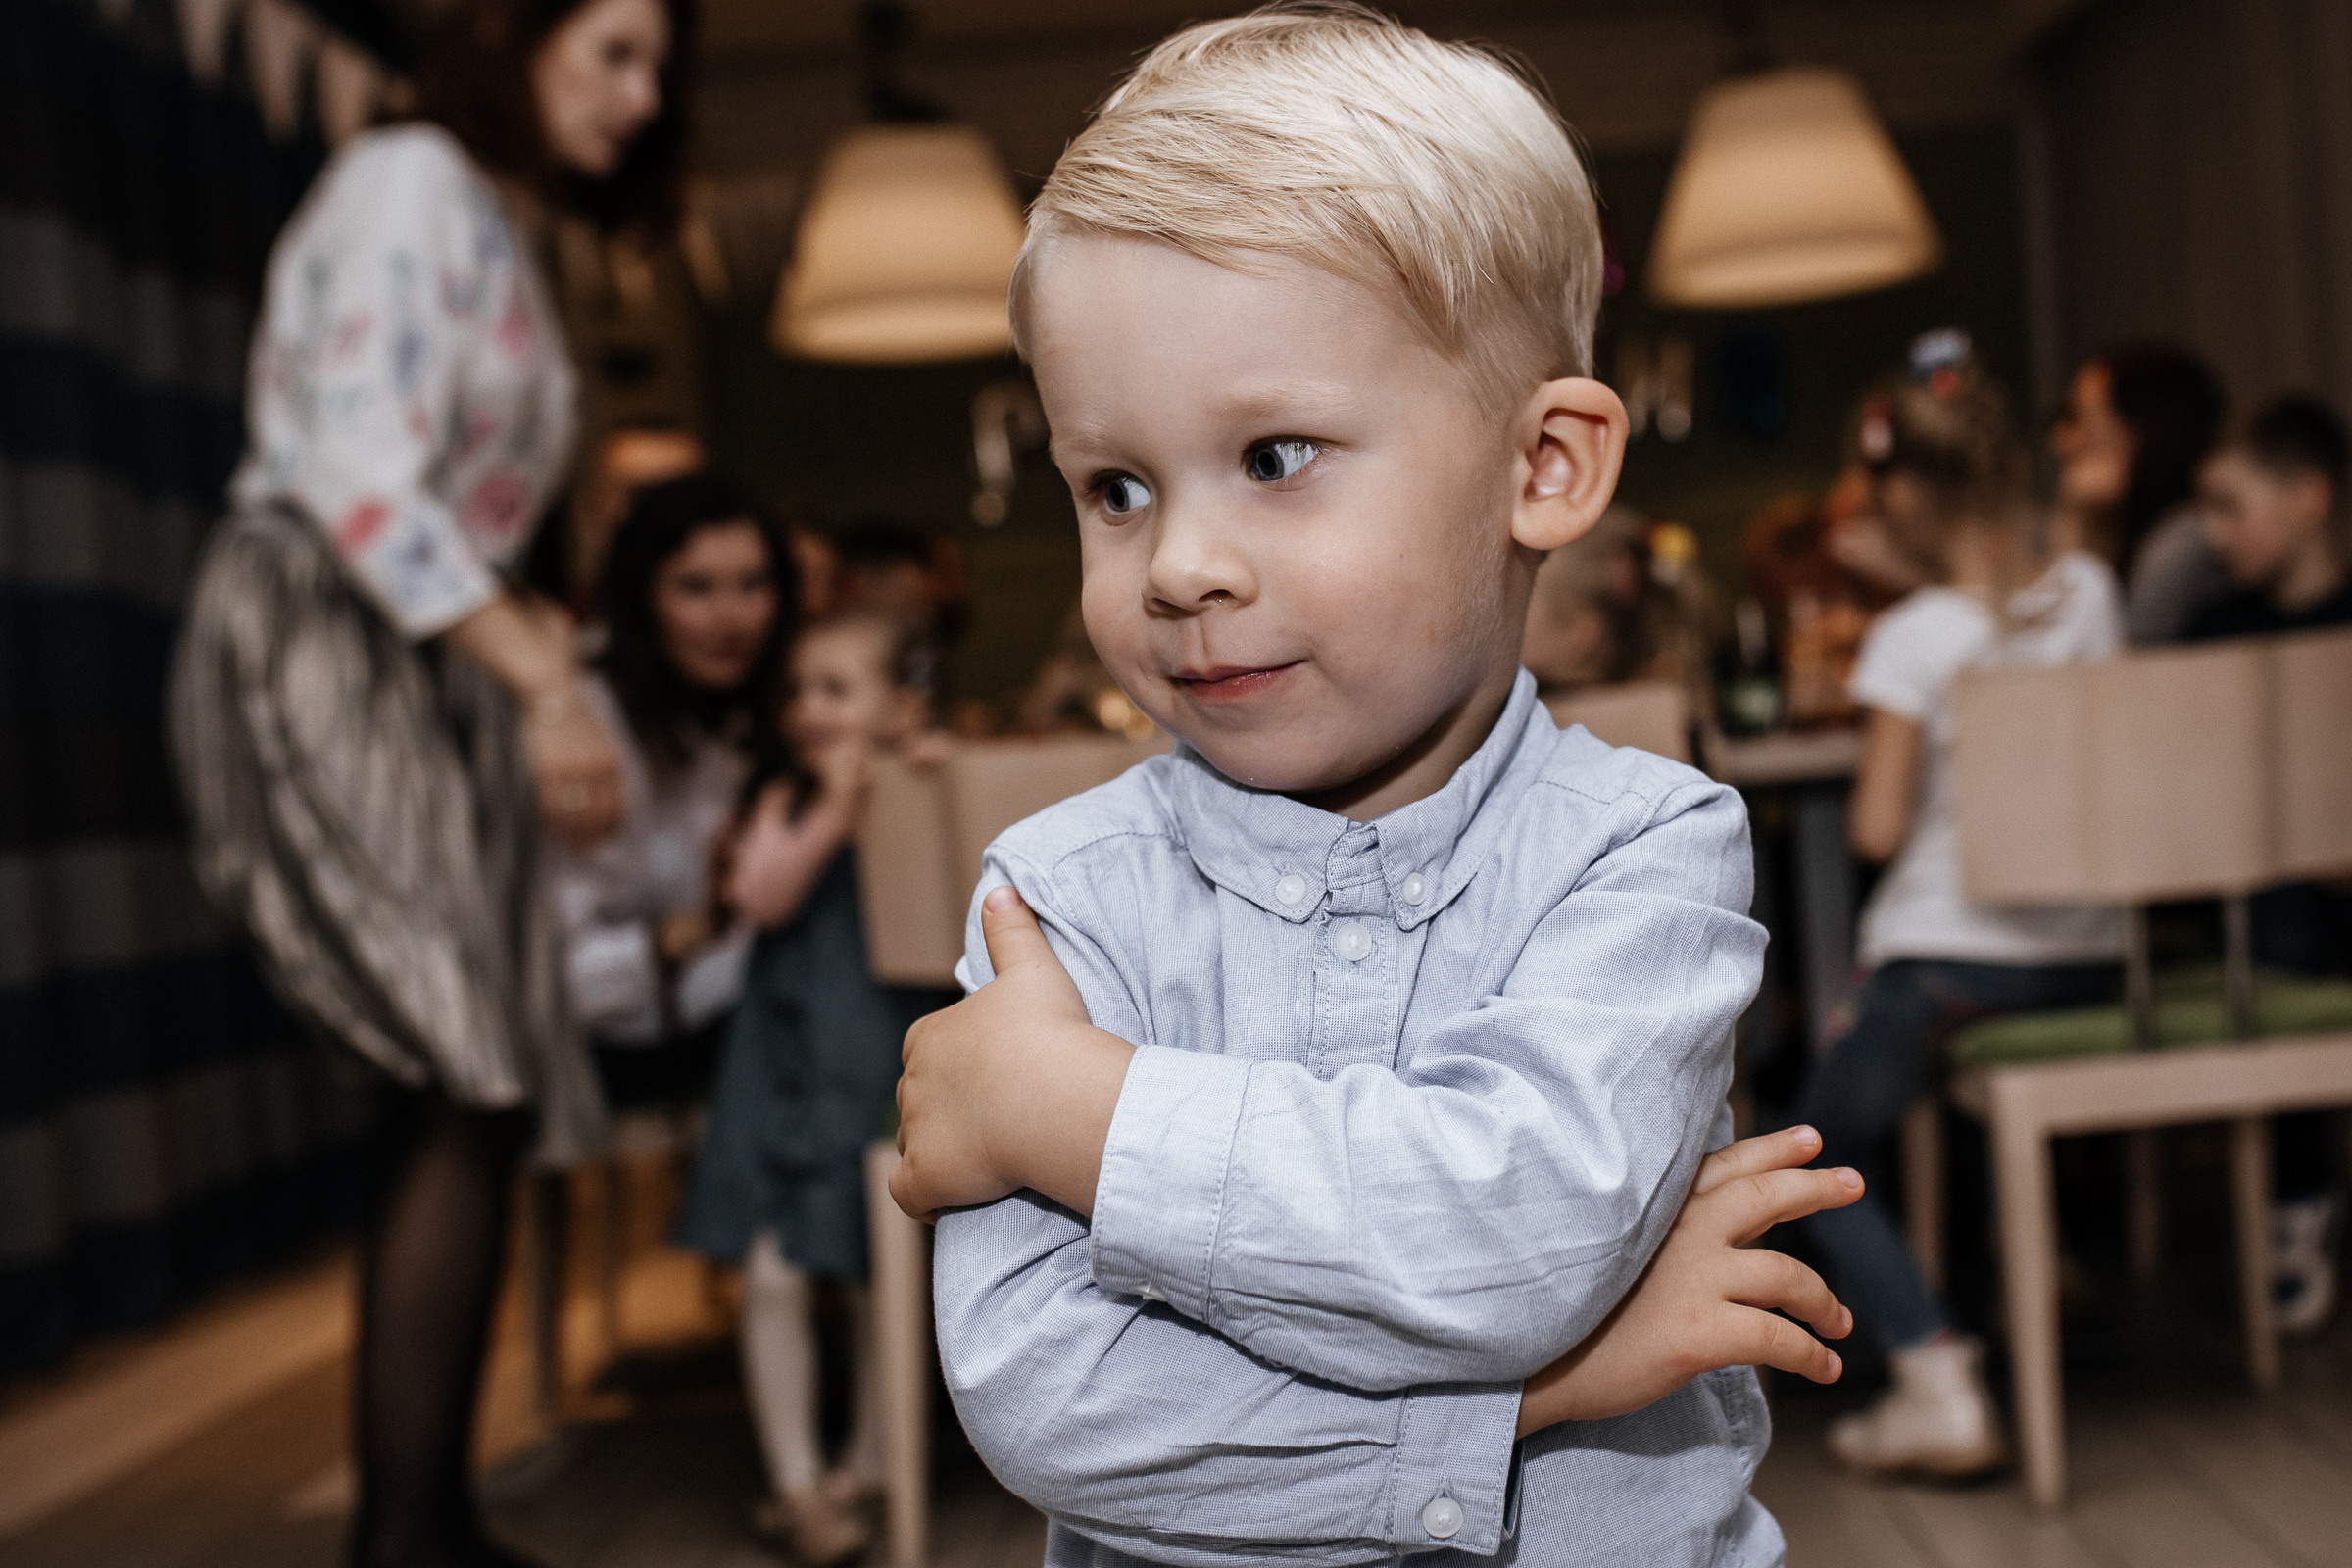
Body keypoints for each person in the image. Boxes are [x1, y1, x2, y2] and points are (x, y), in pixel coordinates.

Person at [885, 11, 1864, 1565]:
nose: (1182, 565)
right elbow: (1054, 1407)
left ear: (1544, 467)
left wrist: (1079, 1111)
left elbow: (1511, 1235)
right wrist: (1542, 1397)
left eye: (1275, 456)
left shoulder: (1645, 851)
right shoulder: (1057, 900)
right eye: (1115, 488)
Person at [168, 1, 690, 1563]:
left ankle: (428, 1520)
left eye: (663, 69)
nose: (644, 98)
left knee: (461, 1089)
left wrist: (530, 658)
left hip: (429, 665)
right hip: (332, 638)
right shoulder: (409, 177)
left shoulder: (500, 222)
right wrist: (540, 682)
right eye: (612, 51)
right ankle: (407, 1537)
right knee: (463, 1071)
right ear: (510, 38)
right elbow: (349, 465)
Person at [1792, 332, 2127, 1478]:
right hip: (2088, 948)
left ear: (1905, 494)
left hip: (1948, 961)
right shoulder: (2090, 594)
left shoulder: (1910, 637)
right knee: (1935, 1067)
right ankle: (2049, 1269)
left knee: (1814, 1148)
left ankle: (1935, 1373)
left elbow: (1879, 832)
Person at [675, 612, 952, 1565]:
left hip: (875, 1065)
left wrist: (925, 770)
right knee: (771, 1268)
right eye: (798, 690)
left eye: (836, 689)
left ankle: (865, 1467)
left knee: (886, 1275)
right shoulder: (783, 801)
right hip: (782, 1072)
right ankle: (795, 1482)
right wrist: (832, 807)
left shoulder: (920, 786)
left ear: (899, 706)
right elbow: (761, 897)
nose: (807, 709)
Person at [2185, 394, 2352, 1333]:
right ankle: (2297, 1203)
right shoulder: (2214, 635)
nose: (2212, 533)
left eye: (2230, 507)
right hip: (2270, 897)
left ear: (2308, 499)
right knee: (2274, 927)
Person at [551, 473, 796, 1109]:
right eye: (696, 587)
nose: (732, 617)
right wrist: (689, 932)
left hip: (719, 1032)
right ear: (642, 598)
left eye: (753, 584)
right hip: (593, 1056)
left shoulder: (745, 713)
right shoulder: (585, 726)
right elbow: (549, 977)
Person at [2049, 341, 2229, 644]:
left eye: (2082, 418)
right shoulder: (2139, 534)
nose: (2064, 440)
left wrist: (2075, 519)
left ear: (2136, 433)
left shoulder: (2182, 542)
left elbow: (2106, 666)